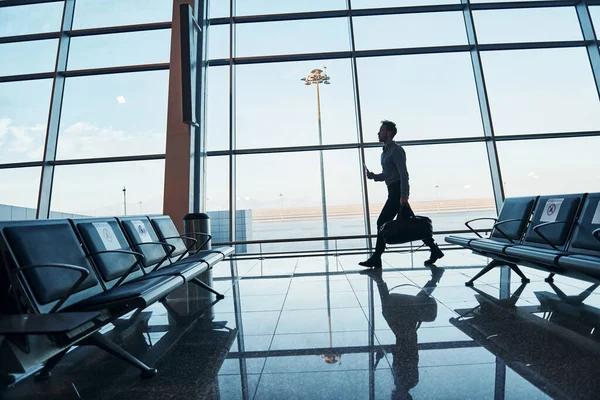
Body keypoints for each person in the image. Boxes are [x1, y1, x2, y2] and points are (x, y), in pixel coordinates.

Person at [360, 120, 444, 269]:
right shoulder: (385, 152)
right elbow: (388, 174)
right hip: (393, 190)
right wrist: (374, 176)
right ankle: (435, 250)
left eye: (381, 130)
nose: (378, 133)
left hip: (397, 191)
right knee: (415, 225)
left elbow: (403, 174)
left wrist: (404, 195)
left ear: (389, 133)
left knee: (381, 222)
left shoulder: (396, 150)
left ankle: (376, 258)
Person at [361, 266, 445, 399]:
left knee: (393, 308)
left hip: (406, 334)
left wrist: (385, 352)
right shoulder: (408, 382)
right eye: (396, 399)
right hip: (407, 334)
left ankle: (435, 278)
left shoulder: (402, 382)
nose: (392, 397)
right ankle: (378, 279)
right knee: (388, 310)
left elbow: (401, 353)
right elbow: (406, 355)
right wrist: (386, 351)